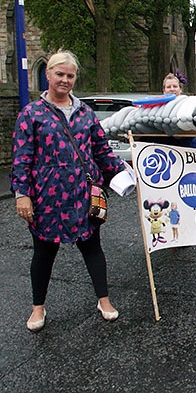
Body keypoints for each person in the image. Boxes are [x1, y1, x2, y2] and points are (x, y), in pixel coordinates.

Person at [11, 50, 127, 331]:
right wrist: (21, 194)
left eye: (70, 75)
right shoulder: (32, 114)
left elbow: (101, 151)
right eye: (59, 74)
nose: (65, 80)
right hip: (46, 198)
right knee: (44, 253)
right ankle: (38, 307)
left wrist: (125, 173)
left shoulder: (85, 113)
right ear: (48, 75)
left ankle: (104, 299)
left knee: (92, 248)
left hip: (84, 196)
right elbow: (21, 157)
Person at [162, 72, 196, 150]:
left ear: (180, 89)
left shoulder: (189, 104)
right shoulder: (159, 107)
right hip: (166, 147)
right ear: (164, 90)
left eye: (175, 86)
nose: (172, 89)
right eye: (168, 87)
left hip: (190, 146)